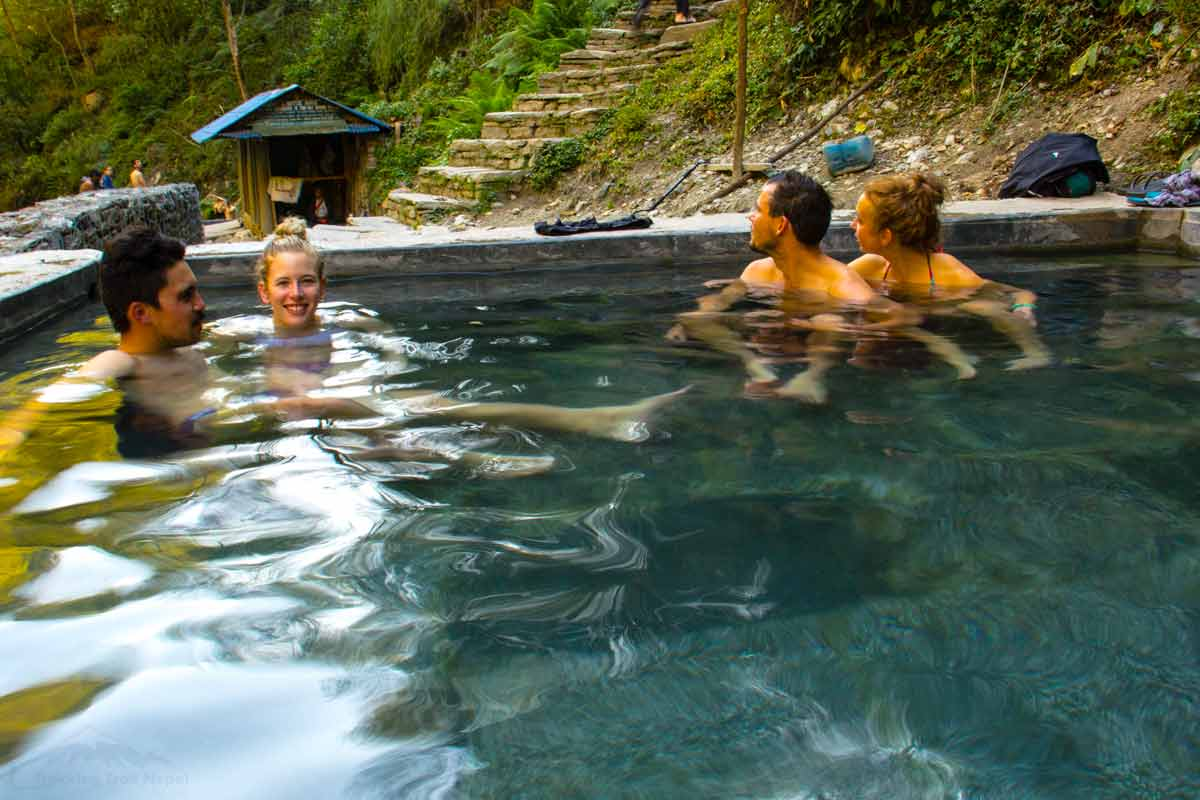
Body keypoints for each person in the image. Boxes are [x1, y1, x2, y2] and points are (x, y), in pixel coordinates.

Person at [249, 218, 688, 444]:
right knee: (384, 431)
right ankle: (477, 456)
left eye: (306, 281)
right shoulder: (247, 337)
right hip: (325, 415)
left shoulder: (345, 321)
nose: (296, 293)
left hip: (359, 399)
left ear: (323, 287)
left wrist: (392, 366)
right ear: (264, 293)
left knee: (443, 406)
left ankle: (598, 420)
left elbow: (384, 337)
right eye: (283, 283)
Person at [672, 172, 972, 401]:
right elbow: (717, 303)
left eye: (758, 210)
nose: (751, 217)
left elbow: (906, 317)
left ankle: (810, 378)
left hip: (817, 356)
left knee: (826, 320)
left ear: (780, 225)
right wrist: (700, 316)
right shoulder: (757, 271)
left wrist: (851, 330)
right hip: (770, 352)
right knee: (694, 319)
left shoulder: (841, 284)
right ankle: (757, 367)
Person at [847, 172, 1051, 370]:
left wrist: (1023, 307)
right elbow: (829, 280)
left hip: (948, 328)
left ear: (885, 236)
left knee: (984, 307)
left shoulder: (947, 272)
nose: (852, 224)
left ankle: (1036, 354)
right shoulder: (871, 266)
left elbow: (1017, 293)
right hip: (911, 334)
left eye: (860, 220)